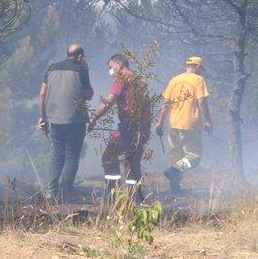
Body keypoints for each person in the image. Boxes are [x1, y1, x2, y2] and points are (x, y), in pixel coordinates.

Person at [87, 54, 153, 200]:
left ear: (119, 65)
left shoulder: (122, 77)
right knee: (132, 162)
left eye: (111, 67)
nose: (110, 71)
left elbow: (109, 100)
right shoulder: (138, 79)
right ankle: (136, 198)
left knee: (108, 157)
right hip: (142, 127)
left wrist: (94, 118)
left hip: (128, 127)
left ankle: (113, 194)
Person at [38, 43, 94, 200]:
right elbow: (89, 95)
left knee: (57, 155)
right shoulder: (81, 69)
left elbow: (42, 94)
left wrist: (42, 117)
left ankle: (50, 192)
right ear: (80, 56)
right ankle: (66, 193)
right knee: (71, 156)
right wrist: (86, 69)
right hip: (75, 121)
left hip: (54, 120)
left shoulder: (51, 68)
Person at [156, 55, 212, 194]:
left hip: (173, 124)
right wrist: (208, 121)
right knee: (194, 156)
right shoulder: (199, 80)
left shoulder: (174, 80)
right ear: (198, 67)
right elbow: (202, 102)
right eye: (201, 69)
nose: (201, 72)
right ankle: (173, 171)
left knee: (177, 158)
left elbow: (166, 104)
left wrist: (160, 123)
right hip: (190, 124)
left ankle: (175, 189)